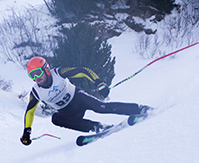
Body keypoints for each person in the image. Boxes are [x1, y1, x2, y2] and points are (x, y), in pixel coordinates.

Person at [20, 56, 152, 145]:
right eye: (32, 75)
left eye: (38, 73)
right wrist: (27, 131)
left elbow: (83, 71)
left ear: (46, 69)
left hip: (79, 98)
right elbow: (29, 112)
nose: (36, 78)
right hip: (68, 112)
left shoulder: (58, 73)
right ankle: (98, 127)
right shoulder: (36, 92)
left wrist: (98, 82)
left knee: (101, 107)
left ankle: (140, 109)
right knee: (55, 119)